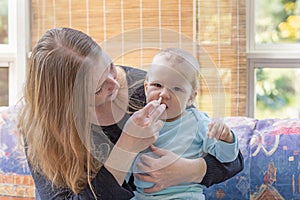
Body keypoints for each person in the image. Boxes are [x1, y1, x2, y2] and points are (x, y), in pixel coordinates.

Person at [18, 28, 243, 200]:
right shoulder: (43, 130)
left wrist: (190, 170)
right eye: (98, 88)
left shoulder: (150, 88)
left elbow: (233, 159)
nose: (114, 83)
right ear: (68, 103)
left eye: (110, 67)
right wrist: (127, 146)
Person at [129, 48, 239, 199]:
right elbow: (123, 166)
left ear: (190, 98)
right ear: (146, 88)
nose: (164, 94)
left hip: (184, 196)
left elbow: (226, 157)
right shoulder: (137, 122)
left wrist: (226, 138)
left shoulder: (199, 123)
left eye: (176, 89)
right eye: (157, 85)